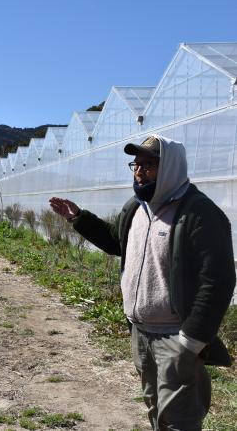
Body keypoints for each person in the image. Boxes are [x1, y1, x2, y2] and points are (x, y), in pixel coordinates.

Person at [49, 134, 235, 430]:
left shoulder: (199, 213)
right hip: (141, 333)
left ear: (171, 167)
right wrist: (79, 218)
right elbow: (116, 242)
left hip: (176, 338)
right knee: (154, 410)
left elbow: (218, 279)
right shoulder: (136, 208)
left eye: (149, 164)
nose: (139, 171)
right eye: (136, 164)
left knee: (179, 421)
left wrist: (191, 340)